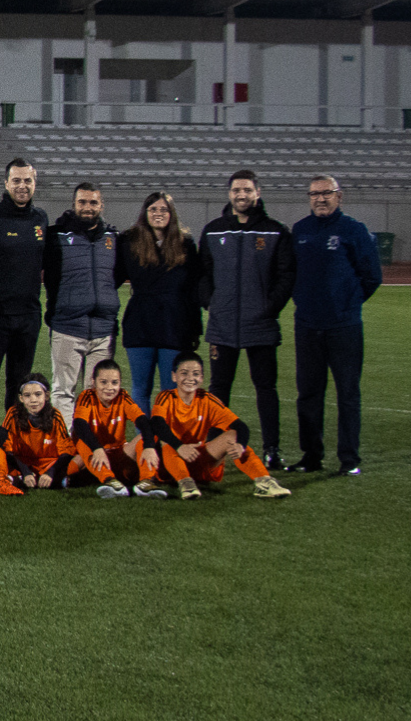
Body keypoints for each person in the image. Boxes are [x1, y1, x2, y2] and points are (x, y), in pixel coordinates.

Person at [198, 169, 295, 470]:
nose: (242, 195)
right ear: (229, 194)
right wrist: (212, 303)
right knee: (218, 390)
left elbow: (286, 276)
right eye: (237, 190)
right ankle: (213, 452)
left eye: (247, 190)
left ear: (258, 193)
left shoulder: (275, 231)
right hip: (222, 324)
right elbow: (202, 274)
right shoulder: (213, 230)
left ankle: (272, 449)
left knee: (265, 387)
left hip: (261, 325)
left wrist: (268, 308)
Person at [289, 174, 381, 475]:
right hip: (307, 326)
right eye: (314, 194)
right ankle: (311, 457)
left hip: (344, 328)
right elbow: (291, 275)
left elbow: (372, 276)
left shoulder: (353, 230)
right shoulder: (300, 230)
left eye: (326, 193)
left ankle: (349, 459)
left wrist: (347, 304)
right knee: (308, 394)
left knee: (348, 394)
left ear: (339, 196)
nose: (320, 199)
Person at [140, 353, 291, 500]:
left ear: (202, 378)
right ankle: (185, 484)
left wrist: (241, 445)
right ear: (174, 376)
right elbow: (157, 424)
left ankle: (264, 482)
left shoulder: (208, 400)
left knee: (233, 437)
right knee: (167, 445)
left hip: (197, 460)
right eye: (184, 373)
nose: (190, 378)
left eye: (196, 374)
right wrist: (180, 446)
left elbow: (240, 426)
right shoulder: (166, 397)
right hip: (170, 465)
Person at [0, 158, 48, 417]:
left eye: (27, 180)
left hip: (29, 317)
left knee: (19, 384)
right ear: (6, 183)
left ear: (34, 183)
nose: (22, 186)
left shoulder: (41, 219)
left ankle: (13, 438)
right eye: (16, 180)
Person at [115, 193, 202, 412]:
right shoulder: (129, 241)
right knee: (140, 389)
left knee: (170, 391)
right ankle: (144, 442)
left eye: (163, 209)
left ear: (171, 213)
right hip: (139, 325)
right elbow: (114, 277)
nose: (158, 214)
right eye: (153, 209)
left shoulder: (185, 244)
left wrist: (195, 330)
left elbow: (193, 291)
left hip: (174, 326)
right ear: (145, 213)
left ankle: (168, 443)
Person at [43, 182, 119, 423]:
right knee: (64, 391)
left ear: (101, 205)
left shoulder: (113, 238)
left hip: (103, 329)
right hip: (67, 326)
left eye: (93, 202)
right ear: (74, 204)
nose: (88, 207)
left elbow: (115, 277)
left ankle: (89, 448)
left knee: (96, 394)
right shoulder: (56, 235)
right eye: (82, 202)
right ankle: (66, 447)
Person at [69, 359, 162, 499]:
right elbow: (79, 425)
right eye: (103, 382)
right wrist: (97, 448)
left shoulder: (122, 397)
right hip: (93, 456)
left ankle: (146, 483)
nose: (110, 387)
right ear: (93, 382)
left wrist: (149, 446)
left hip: (118, 454)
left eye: (114, 382)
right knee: (82, 445)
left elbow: (142, 421)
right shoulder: (87, 396)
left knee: (150, 434)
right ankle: (109, 481)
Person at [1, 372, 76, 490]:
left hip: (48, 464)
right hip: (22, 463)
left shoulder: (55, 416)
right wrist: (25, 471)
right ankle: (61, 481)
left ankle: (20, 480)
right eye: (27, 395)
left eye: (38, 394)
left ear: (46, 396)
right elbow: (5, 447)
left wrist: (50, 472)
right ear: (21, 398)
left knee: (79, 459)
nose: (33, 400)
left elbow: (66, 450)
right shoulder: (13, 414)